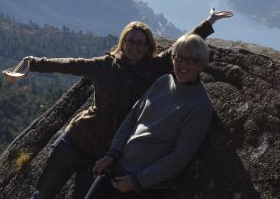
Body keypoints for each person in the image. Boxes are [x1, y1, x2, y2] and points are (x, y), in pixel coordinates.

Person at [9, 9, 232, 199]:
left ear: (149, 46)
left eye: (140, 42)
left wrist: (209, 22)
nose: (134, 46)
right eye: (130, 41)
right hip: (75, 141)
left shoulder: (155, 68)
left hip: (104, 154)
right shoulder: (105, 65)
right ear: (123, 42)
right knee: (41, 195)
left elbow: (185, 49)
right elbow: (71, 64)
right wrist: (33, 64)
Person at [86, 33, 213, 198]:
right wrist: (112, 154)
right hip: (118, 168)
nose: (182, 65)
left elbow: (180, 157)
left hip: (146, 186)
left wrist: (137, 182)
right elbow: (133, 117)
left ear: (201, 65)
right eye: (178, 58)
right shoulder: (163, 82)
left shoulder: (199, 106)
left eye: (190, 60)